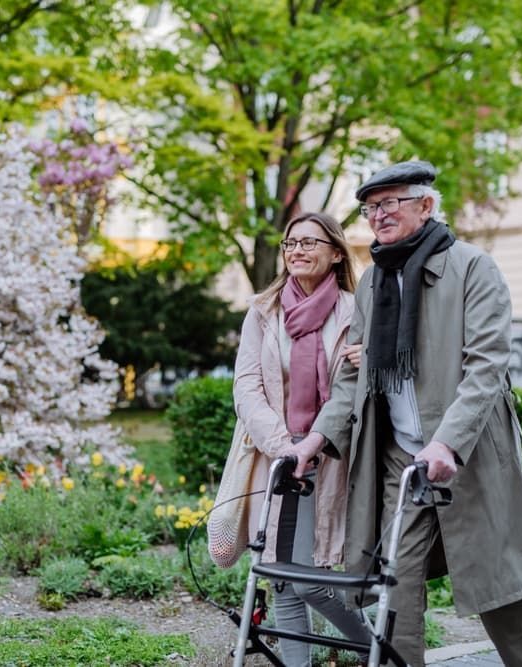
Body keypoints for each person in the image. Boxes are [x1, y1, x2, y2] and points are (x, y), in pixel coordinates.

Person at [284, 161, 522, 667]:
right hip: (399, 460)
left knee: (495, 589)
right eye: (370, 208)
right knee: (396, 587)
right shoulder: (373, 282)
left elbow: (486, 367)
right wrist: (313, 442)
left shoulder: (473, 268)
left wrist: (447, 442)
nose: (378, 216)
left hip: (467, 457)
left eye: (389, 203)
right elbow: (352, 379)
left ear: (426, 206)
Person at [231, 211, 370, 666]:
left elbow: (354, 389)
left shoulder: (355, 311)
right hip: (275, 456)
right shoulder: (263, 310)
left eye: (310, 242)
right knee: (282, 579)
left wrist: (368, 359)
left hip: (329, 454)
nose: (297, 251)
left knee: (309, 579)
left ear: (336, 254)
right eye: (291, 243)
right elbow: (247, 387)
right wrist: (284, 447)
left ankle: (378, 650)